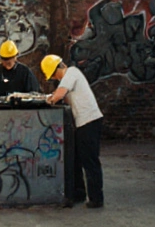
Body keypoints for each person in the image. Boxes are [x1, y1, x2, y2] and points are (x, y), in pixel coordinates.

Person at [42, 54, 104, 208]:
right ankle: (79, 193)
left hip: (89, 121)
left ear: (57, 69)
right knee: (78, 159)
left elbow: (58, 95)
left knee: (90, 161)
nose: (55, 79)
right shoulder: (70, 77)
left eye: (53, 76)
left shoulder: (71, 73)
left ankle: (96, 199)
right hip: (84, 122)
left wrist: (48, 99)